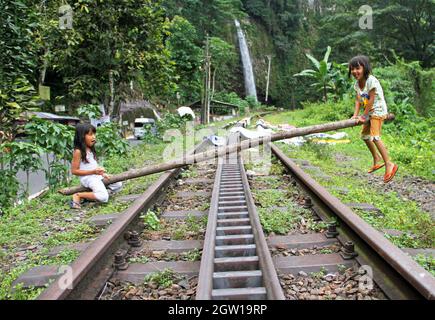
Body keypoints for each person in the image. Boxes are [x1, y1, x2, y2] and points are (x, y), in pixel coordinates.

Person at [348, 55, 398, 183]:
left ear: (365, 68)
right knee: (365, 136)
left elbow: (371, 100)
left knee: (375, 137)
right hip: (368, 112)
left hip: (377, 110)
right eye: (352, 69)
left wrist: (363, 116)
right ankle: (377, 158)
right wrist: (355, 114)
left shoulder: (371, 81)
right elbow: (358, 100)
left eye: (357, 68)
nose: (354, 71)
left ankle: (389, 163)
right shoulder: (357, 84)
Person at [70, 123, 122, 209]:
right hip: (88, 178)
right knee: (104, 197)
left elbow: (93, 166)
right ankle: (78, 195)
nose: (94, 137)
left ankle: (94, 194)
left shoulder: (90, 149)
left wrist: (102, 174)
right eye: (90, 134)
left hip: (96, 176)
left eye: (94, 134)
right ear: (82, 136)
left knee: (118, 185)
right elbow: (74, 171)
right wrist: (93, 172)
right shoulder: (78, 152)